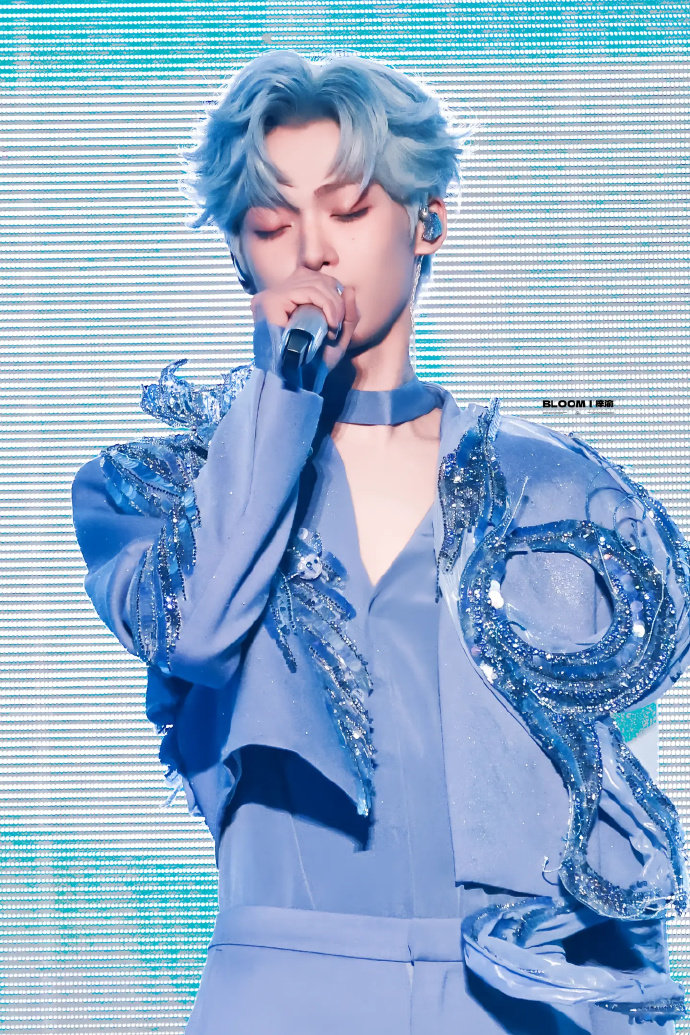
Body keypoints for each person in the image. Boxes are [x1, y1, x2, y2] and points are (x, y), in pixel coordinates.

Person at [71, 49, 690, 1034]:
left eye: (350, 209)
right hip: (287, 988)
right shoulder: (154, 486)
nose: (314, 251)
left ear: (427, 220)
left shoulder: (562, 489)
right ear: (239, 255)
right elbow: (196, 632)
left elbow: (605, 784)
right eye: (272, 223)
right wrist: (280, 388)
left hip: (521, 989)